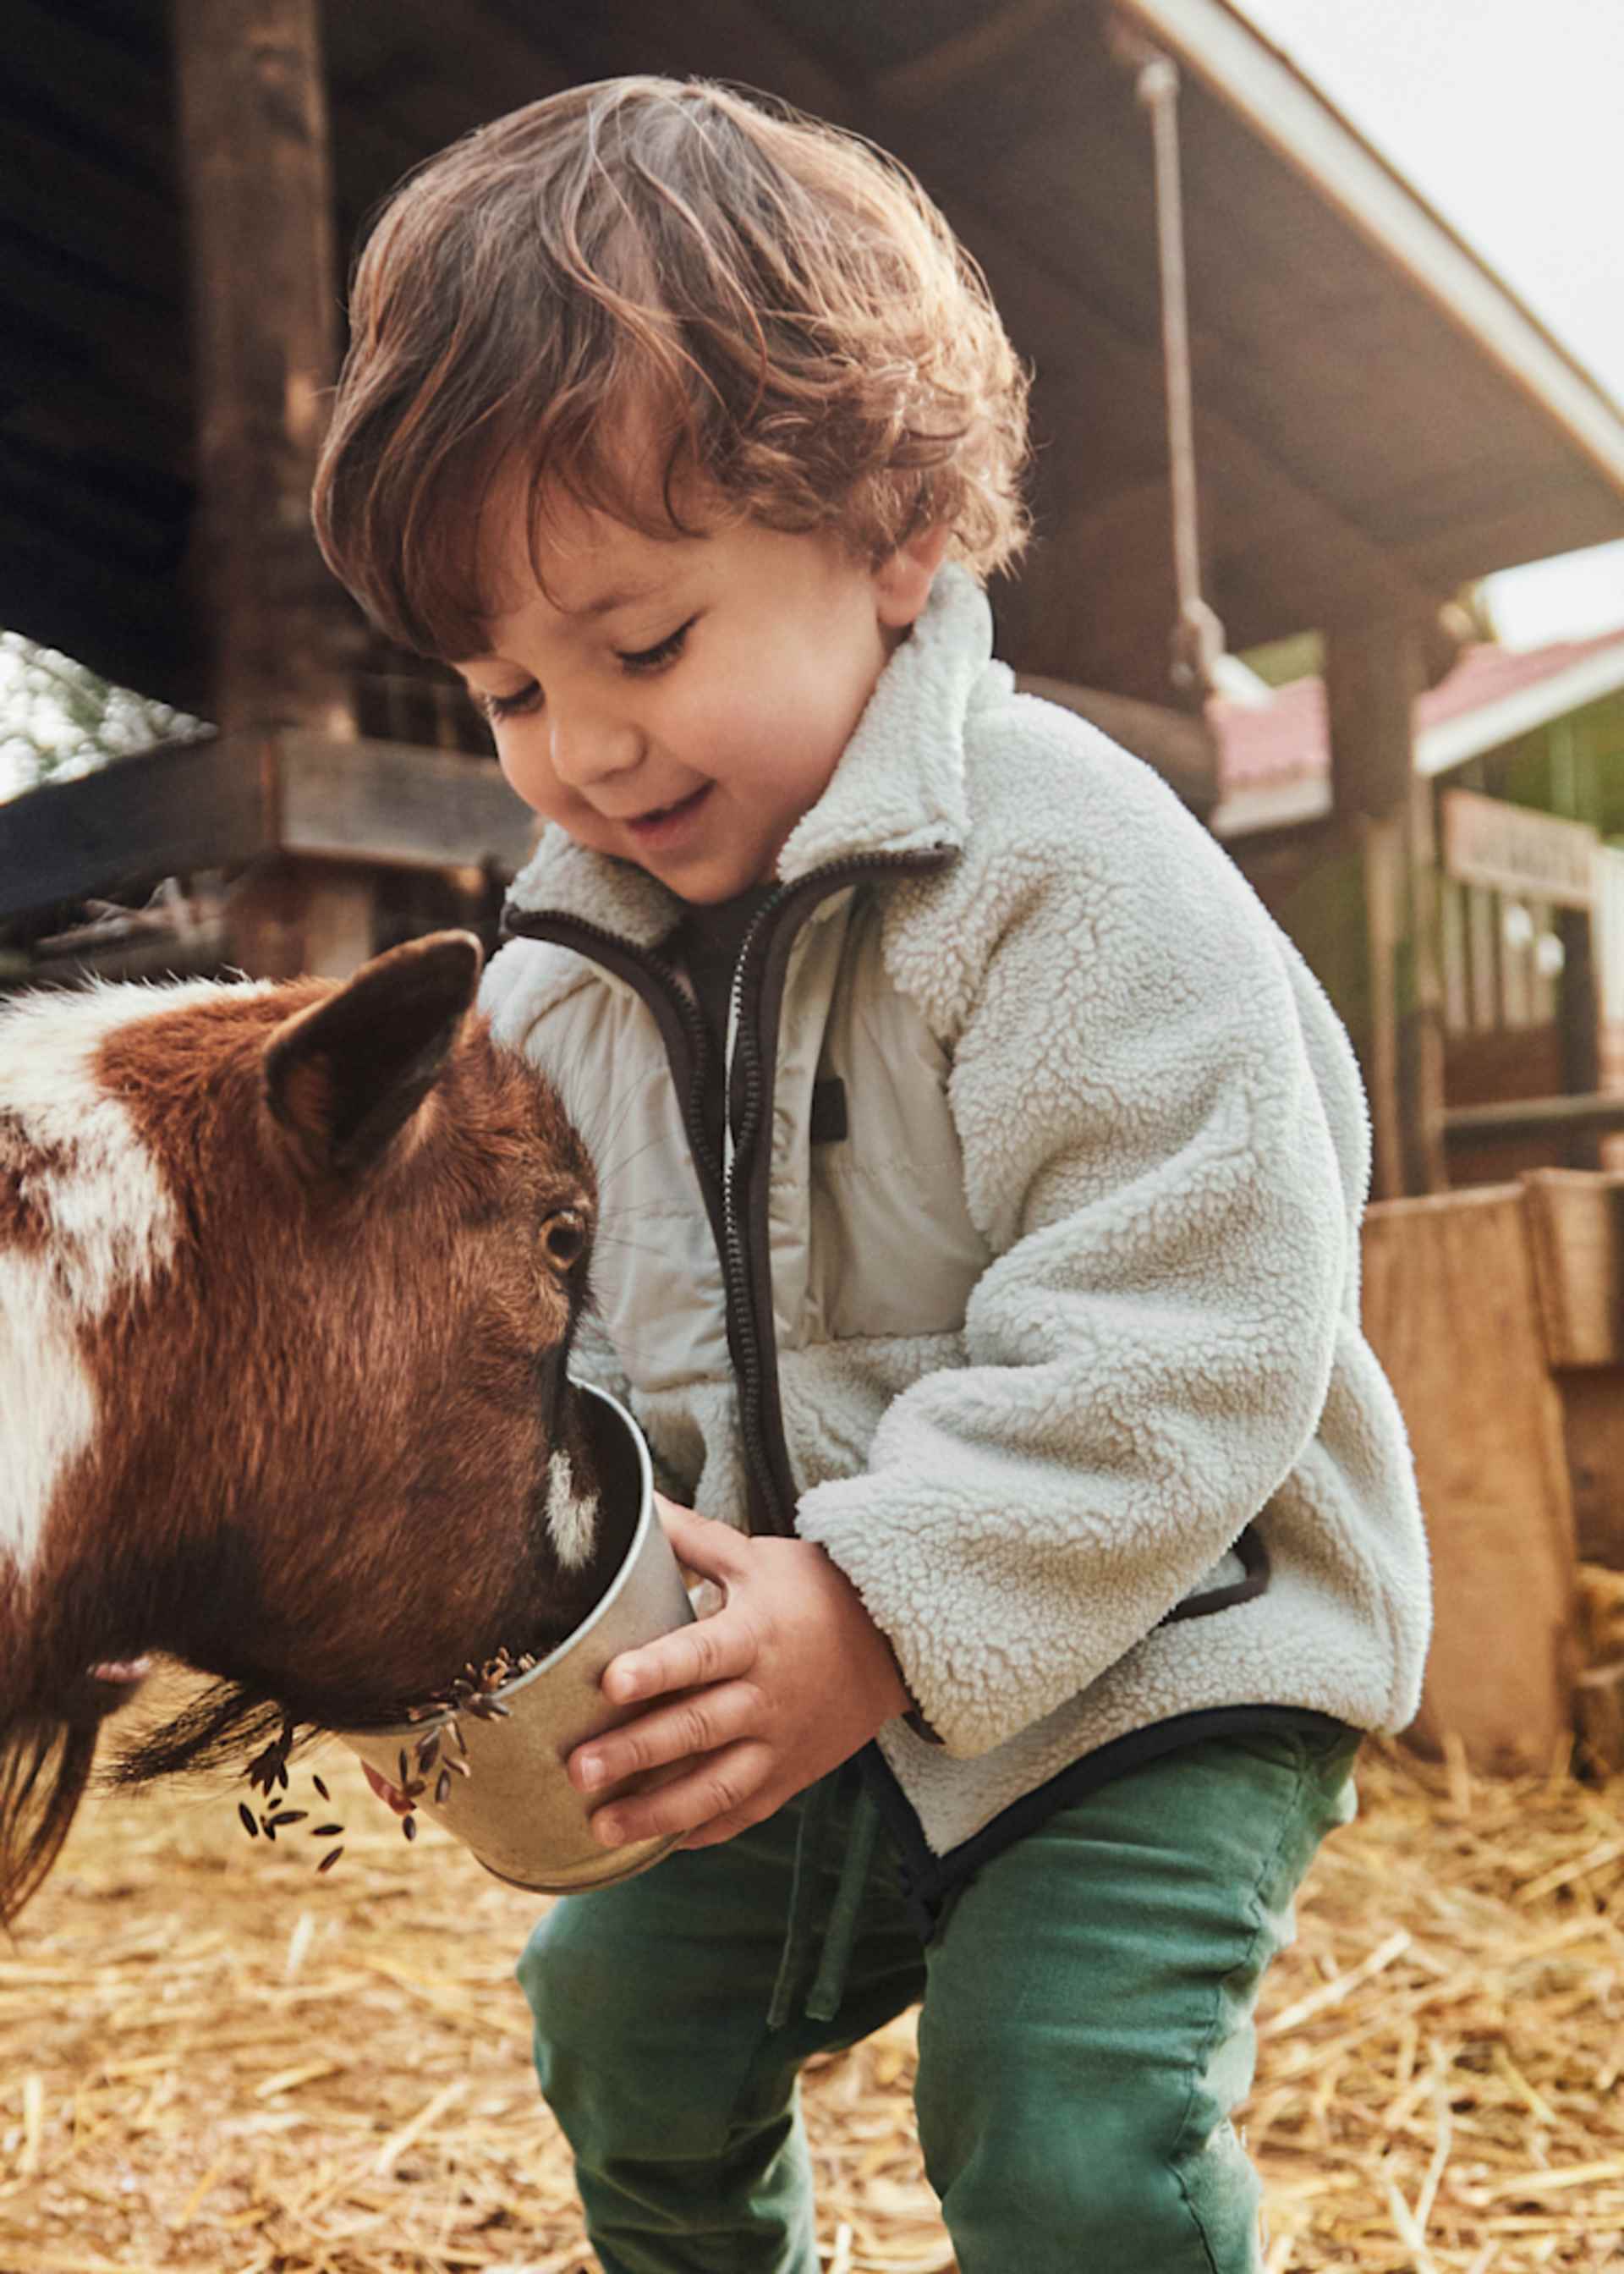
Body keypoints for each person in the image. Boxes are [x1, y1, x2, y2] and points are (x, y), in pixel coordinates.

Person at [312, 75, 1429, 2273]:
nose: (587, 747)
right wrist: (466, 1637)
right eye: (510, 688)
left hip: (1144, 1653)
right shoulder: (556, 984)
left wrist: (887, 1606)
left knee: (1059, 2124)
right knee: (622, 2022)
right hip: (779, 1668)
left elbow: (1196, 1309)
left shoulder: (1060, 865)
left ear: (897, 539)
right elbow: (558, 1378)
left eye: (644, 645)